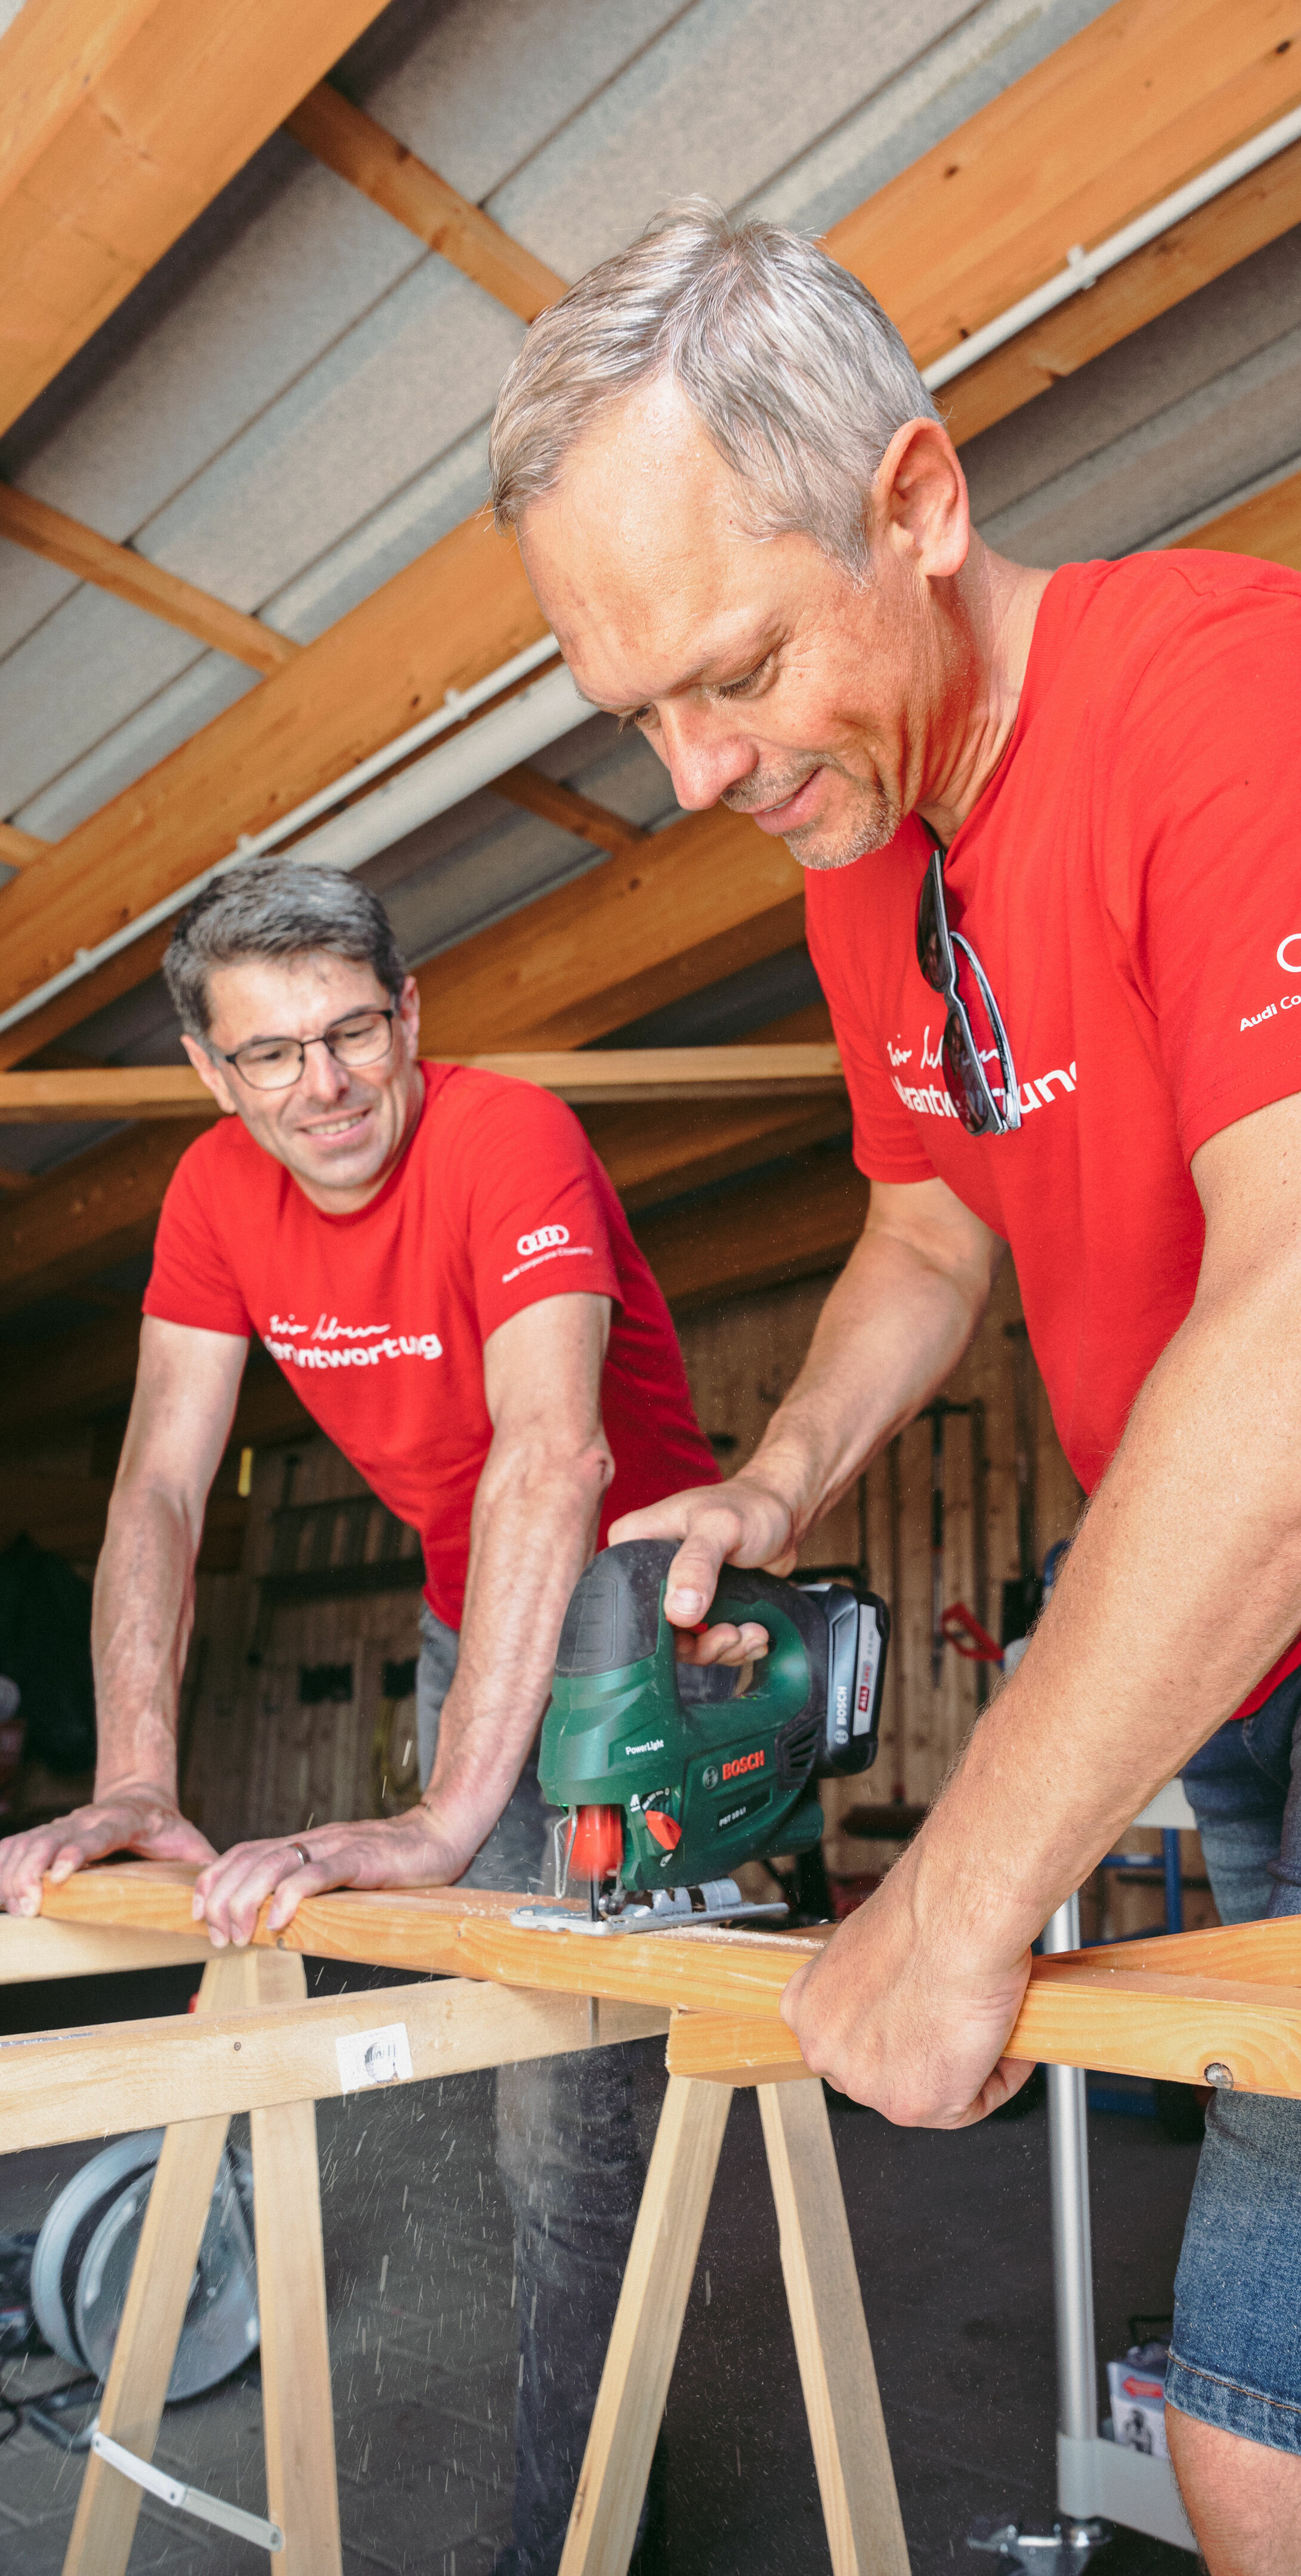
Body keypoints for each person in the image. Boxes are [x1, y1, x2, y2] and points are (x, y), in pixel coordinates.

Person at [480, 202, 1301, 2576]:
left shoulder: (1237, 693)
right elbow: (930, 1222)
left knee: (1292, 2443)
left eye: (736, 670)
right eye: (635, 712)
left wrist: (959, 1900)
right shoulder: (865, 854)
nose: (696, 770)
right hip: (1247, 1612)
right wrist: (781, 1473)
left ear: (922, 500)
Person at [0, 860, 752, 2576]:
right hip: (466, 1612)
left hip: (638, 1622)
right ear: (211, 1071)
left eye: (352, 1033)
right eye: (271, 1054)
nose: (324, 1087)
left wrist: (436, 1820)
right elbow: (162, 1485)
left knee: (562, 2120)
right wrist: (134, 1778)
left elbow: (554, 1459)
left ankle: (581, 2544)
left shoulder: (510, 1139)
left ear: (411, 1016)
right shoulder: (211, 1195)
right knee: (492, 2066)